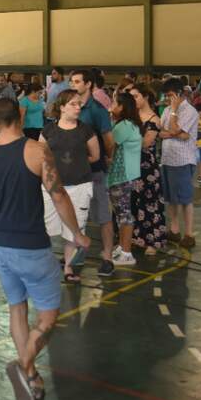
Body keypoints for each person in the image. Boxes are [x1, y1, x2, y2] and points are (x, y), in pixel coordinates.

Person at [0, 99, 90, 400]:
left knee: (17, 310)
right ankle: (23, 364)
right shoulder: (36, 151)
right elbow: (58, 194)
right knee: (48, 316)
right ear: (19, 116)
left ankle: (32, 377)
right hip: (32, 247)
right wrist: (76, 233)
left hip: (0, 246)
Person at [39, 90, 98, 281]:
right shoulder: (48, 130)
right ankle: (45, 265)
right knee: (46, 227)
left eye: (79, 104)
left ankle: (69, 268)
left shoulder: (85, 130)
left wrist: (76, 163)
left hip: (79, 185)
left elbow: (95, 155)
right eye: (73, 104)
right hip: (52, 187)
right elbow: (40, 156)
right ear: (62, 107)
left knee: (75, 229)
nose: (78, 107)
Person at [70, 69, 115, 276]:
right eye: (72, 81)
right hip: (75, 171)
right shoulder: (71, 108)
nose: (73, 85)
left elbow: (108, 140)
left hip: (95, 170)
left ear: (88, 84)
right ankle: (77, 254)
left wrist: (106, 157)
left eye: (77, 81)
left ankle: (107, 257)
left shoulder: (97, 110)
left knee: (102, 215)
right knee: (76, 215)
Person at [159, 78, 200, 248]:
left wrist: (175, 113)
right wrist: (175, 133)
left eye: (170, 96)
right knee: (170, 198)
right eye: (166, 96)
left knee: (185, 198)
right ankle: (174, 230)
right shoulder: (166, 110)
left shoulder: (189, 111)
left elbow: (176, 130)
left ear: (179, 94)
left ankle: (189, 234)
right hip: (167, 158)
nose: (168, 99)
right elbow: (162, 132)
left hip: (183, 160)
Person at [128, 84, 166, 253]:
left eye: (136, 96)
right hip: (130, 164)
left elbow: (145, 143)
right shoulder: (131, 117)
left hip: (146, 167)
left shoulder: (154, 119)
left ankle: (152, 241)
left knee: (150, 203)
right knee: (132, 202)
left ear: (145, 97)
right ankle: (136, 237)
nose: (133, 100)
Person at [107, 91, 143, 265]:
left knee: (123, 214)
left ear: (122, 107)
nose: (112, 106)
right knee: (121, 213)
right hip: (127, 174)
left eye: (114, 103)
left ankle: (127, 253)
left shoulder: (124, 126)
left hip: (121, 175)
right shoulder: (131, 123)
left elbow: (110, 145)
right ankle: (122, 247)